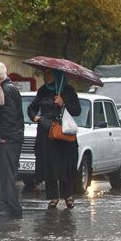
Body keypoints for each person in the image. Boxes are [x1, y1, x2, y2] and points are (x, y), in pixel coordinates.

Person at [27, 69, 81, 209]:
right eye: (45, 74)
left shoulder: (68, 90)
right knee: (50, 165)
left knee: (65, 165)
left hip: (63, 134)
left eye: (49, 74)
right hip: (46, 133)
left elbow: (77, 110)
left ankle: (67, 195)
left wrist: (63, 103)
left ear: (57, 76)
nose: (46, 76)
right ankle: (53, 197)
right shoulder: (43, 91)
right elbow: (31, 109)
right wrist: (36, 118)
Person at [0, 62, 24, 218]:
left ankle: (10, 207)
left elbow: (9, 116)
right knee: (4, 172)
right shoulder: (9, 87)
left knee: (6, 173)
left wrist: (4, 136)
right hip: (9, 138)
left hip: (7, 139)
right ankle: (7, 205)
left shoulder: (6, 89)